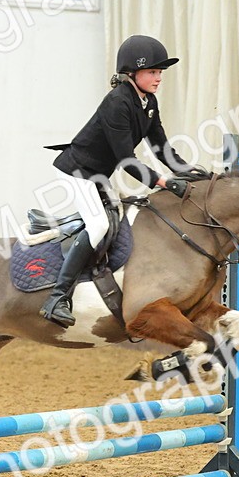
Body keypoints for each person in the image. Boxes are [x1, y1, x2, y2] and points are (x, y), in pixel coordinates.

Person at [40, 34, 200, 328]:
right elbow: (127, 159)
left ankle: (63, 241)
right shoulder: (117, 103)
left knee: (115, 217)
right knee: (99, 225)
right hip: (78, 171)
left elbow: (160, 146)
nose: (158, 78)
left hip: (99, 174)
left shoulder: (147, 101)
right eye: (152, 71)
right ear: (131, 73)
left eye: (160, 72)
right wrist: (164, 183)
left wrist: (188, 170)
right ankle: (57, 297)